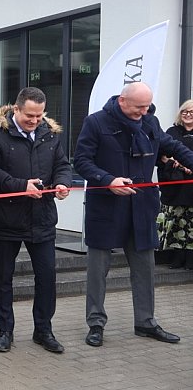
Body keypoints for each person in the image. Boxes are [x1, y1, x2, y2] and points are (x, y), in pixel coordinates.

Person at [74, 82, 193, 347]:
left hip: (141, 207)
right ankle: (96, 323)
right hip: (106, 206)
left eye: (147, 106)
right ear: (122, 101)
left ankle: (145, 322)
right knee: (98, 271)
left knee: (145, 269)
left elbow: (174, 147)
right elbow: (81, 161)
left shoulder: (150, 121)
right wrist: (108, 180)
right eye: (139, 107)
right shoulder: (96, 122)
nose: (144, 111)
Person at [0, 87, 72, 354]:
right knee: (3, 279)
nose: (35, 120)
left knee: (46, 277)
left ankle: (43, 330)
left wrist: (62, 183)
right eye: (29, 116)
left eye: (39, 115)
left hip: (42, 218)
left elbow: (62, 165)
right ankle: (5, 332)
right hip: (6, 219)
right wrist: (22, 185)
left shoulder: (51, 135)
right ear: (16, 109)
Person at [156, 99, 193, 270]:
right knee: (176, 223)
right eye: (185, 111)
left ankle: (190, 259)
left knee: (191, 224)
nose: (187, 115)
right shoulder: (171, 132)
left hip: (191, 187)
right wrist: (171, 161)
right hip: (175, 187)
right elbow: (160, 155)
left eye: (191, 112)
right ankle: (177, 258)